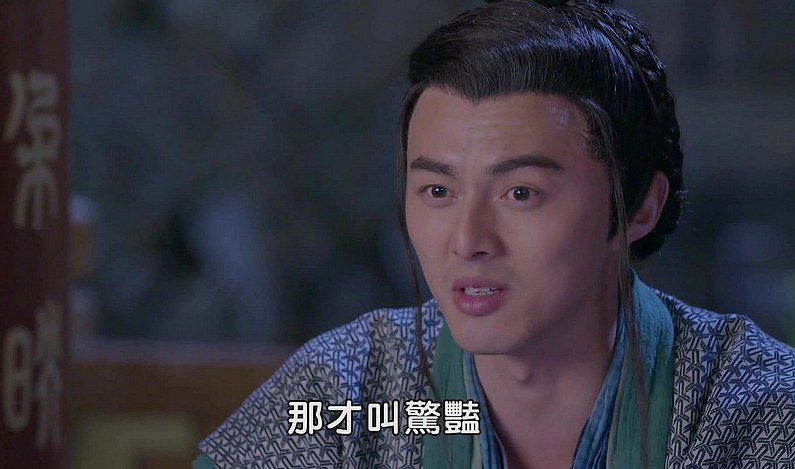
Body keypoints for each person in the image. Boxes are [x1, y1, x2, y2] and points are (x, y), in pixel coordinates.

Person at [194, 0, 795, 467]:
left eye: (520, 193)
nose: (467, 240)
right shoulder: (357, 402)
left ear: (638, 207)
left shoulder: (750, 415)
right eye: (438, 191)